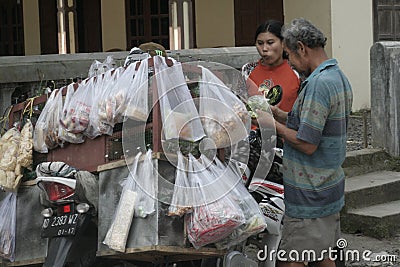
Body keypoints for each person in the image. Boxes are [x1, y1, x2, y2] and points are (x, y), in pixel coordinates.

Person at [257, 18, 353, 266]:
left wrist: (271, 125)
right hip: (327, 186)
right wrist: (281, 115)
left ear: (301, 48)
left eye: (289, 56)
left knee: (292, 259)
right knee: (321, 254)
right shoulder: (336, 76)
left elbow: (307, 142)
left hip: (310, 191)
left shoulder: (318, 85)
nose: (290, 63)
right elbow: (314, 124)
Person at [242, 19, 300, 113]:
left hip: (285, 127)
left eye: (270, 43)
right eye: (260, 43)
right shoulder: (248, 70)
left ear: (283, 43)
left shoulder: (297, 70)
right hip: (254, 127)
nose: (264, 49)